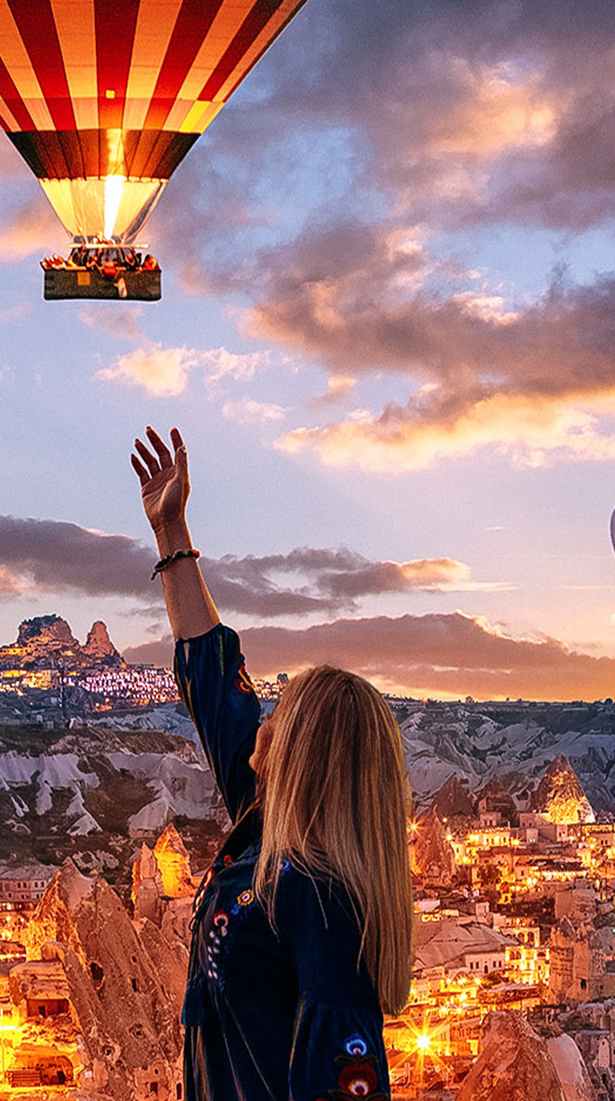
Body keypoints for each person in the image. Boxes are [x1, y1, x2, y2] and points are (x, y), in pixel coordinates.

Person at [132, 426, 413, 1101]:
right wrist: (171, 532)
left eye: (279, 710)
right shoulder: (264, 835)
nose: (260, 715)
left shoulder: (317, 894)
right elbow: (212, 677)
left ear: (305, 753)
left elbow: (342, 1073)